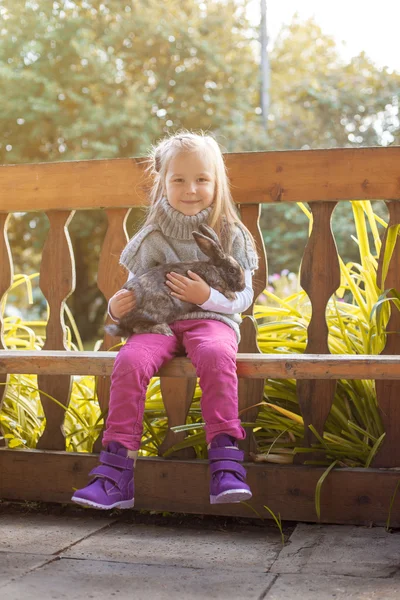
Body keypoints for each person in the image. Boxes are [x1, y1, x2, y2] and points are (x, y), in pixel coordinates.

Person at [72, 131, 259, 510]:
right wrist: (115, 309)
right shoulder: (152, 237)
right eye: (179, 180)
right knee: (130, 360)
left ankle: (226, 462)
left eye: (202, 179)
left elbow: (244, 296)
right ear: (163, 183)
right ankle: (116, 472)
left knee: (215, 354)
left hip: (211, 319)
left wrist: (206, 298)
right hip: (157, 324)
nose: (191, 189)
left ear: (217, 182)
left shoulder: (231, 233)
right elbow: (135, 289)